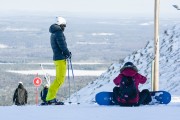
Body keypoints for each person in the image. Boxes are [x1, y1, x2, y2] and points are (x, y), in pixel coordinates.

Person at [46, 16, 71, 104]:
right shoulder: (59, 33)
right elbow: (62, 45)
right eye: (64, 26)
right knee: (59, 79)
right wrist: (68, 53)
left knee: (59, 79)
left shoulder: (53, 33)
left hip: (57, 58)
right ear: (61, 25)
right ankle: (50, 98)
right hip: (60, 59)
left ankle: (50, 97)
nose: (64, 28)